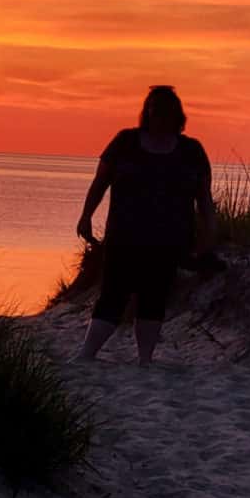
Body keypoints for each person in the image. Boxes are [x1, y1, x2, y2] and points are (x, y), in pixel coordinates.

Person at [74, 85, 216, 366]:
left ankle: (145, 360)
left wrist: (208, 237)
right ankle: (86, 354)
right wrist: (86, 215)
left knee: (154, 297)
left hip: (170, 238)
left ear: (177, 115)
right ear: (147, 112)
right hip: (124, 236)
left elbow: (204, 199)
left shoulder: (191, 151)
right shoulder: (126, 142)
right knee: (113, 294)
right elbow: (100, 182)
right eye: (154, 110)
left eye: (165, 111)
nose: (159, 116)